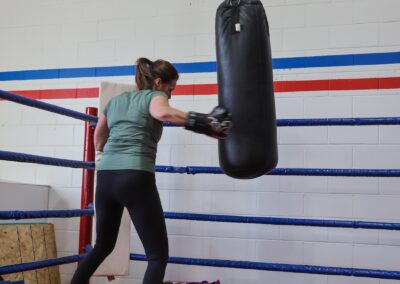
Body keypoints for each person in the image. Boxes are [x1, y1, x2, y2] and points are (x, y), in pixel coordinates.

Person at [71, 58, 232, 284]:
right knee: (157, 257)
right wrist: (206, 122)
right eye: (170, 88)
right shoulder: (155, 96)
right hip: (135, 176)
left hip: (106, 178)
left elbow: (98, 140)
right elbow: (162, 113)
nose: (170, 94)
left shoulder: (115, 101)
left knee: (103, 245)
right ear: (158, 82)